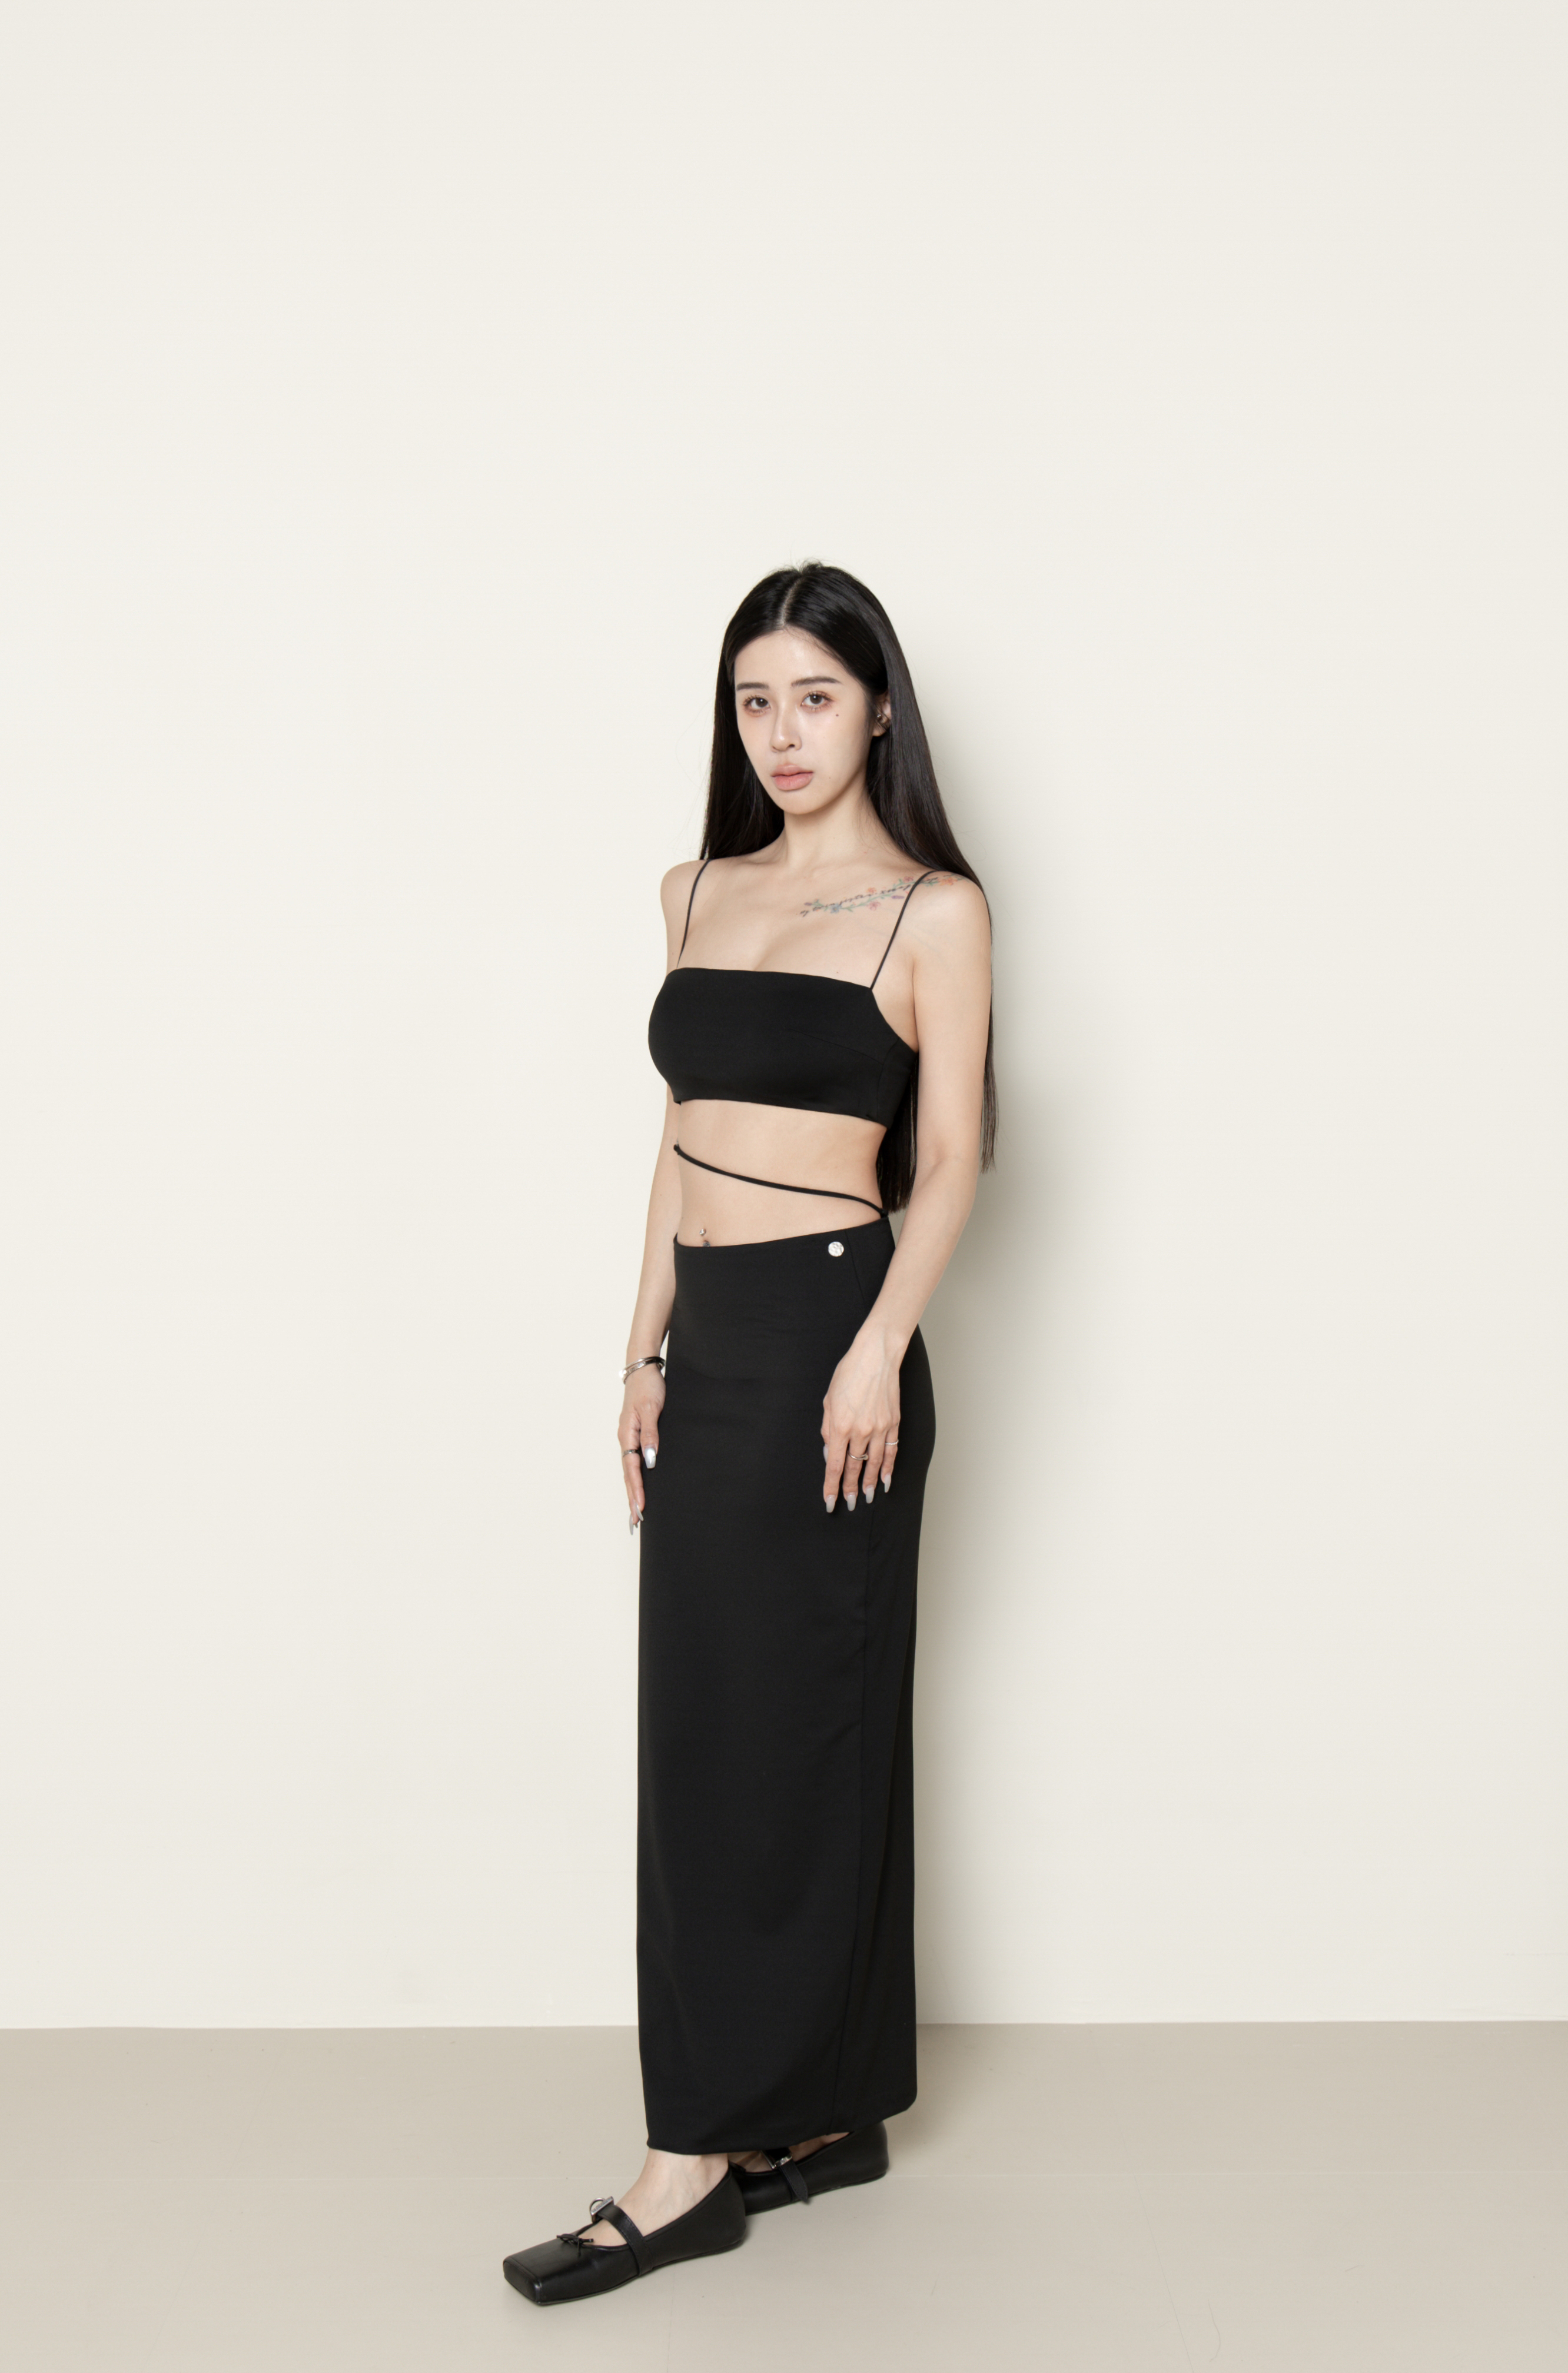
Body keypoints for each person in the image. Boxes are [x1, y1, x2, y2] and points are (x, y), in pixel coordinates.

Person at [503, 561, 995, 2305]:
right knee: (713, 1732)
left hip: (835, 1338)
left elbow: (956, 1157)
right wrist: (641, 1341)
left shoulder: (932, 909)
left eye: (815, 696)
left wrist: (877, 1351)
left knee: (807, 1734)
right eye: (754, 700)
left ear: (879, 707)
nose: (783, 732)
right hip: (712, 1347)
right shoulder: (696, 890)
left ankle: (691, 2162)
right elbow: (683, 1133)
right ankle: (823, 2113)